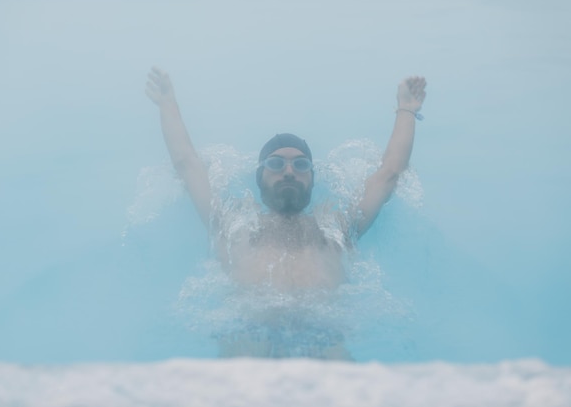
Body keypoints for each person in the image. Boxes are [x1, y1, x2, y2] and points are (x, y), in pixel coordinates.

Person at [146, 66, 426, 359]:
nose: (290, 171)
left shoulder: (336, 229)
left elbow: (388, 175)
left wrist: (406, 110)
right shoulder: (232, 226)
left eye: (301, 165)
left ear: (312, 178)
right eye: (277, 165)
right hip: (248, 337)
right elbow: (187, 165)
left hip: (322, 339)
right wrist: (168, 104)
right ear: (260, 177)